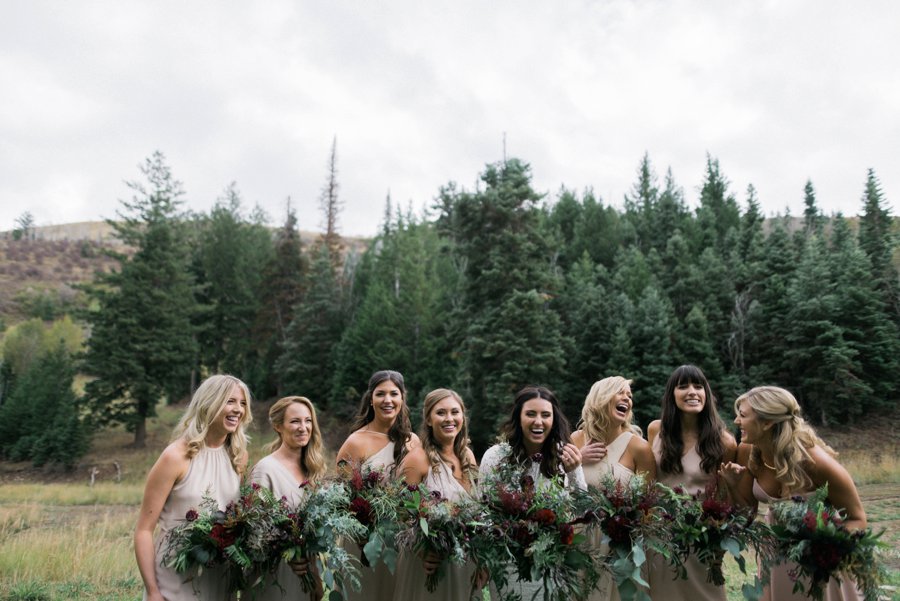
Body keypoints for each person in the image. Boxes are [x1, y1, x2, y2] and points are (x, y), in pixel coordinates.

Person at [721, 386, 866, 601]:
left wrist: (820, 548)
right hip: (776, 558)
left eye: (742, 415)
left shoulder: (816, 463)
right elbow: (746, 515)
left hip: (817, 562)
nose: (736, 421)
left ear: (768, 422)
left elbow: (858, 519)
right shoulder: (748, 451)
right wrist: (732, 485)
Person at [135, 374, 252, 601]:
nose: (238, 409)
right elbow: (143, 530)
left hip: (219, 576)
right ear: (208, 403)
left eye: (243, 403)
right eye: (230, 401)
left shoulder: (239, 456)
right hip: (174, 577)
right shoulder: (175, 456)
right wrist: (152, 591)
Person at [479, 385, 586, 599]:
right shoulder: (495, 457)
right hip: (507, 562)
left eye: (546, 415)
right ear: (518, 418)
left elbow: (582, 506)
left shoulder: (564, 455)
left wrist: (574, 471)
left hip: (551, 562)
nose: (539, 421)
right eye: (530, 414)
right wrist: (486, 559)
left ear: (553, 420)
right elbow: (483, 511)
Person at [646, 365, 736, 601]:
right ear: (671, 394)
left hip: (700, 535)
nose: (692, 392)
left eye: (698, 386)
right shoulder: (656, 430)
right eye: (683, 386)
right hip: (659, 534)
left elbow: (725, 496)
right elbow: (648, 481)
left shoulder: (724, 441)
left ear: (706, 393)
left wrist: (720, 541)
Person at [335, 369, 420, 601]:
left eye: (394, 393)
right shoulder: (355, 442)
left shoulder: (414, 442)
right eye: (381, 394)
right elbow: (340, 498)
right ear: (371, 399)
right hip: (363, 542)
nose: (388, 400)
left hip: (402, 542)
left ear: (402, 398)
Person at [572, 376, 656, 601]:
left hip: (621, 545)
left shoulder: (639, 447)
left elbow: (650, 505)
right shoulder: (576, 440)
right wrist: (578, 459)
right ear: (601, 397)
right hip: (580, 542)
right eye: (621, 392)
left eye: (630, 395)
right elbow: (559, 488)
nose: (627, 399)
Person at [395, 388, 480, 600]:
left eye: (455, 412)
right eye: (441, 413)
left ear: (462, 416)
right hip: (427, 565)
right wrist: (423, 551)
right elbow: (400, 514)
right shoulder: (417, 460)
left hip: (463, 563)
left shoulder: (467, 456)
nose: (449, 418)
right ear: (429, 419)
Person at [249, 396, 327, 601]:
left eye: (308, 420)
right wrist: (286, 552)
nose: (303, 427)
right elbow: (254, 533)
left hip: (305, 573)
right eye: (295, 421)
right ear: (278, 426)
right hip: (275, 576)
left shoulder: (312, 469)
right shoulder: (265, 470)